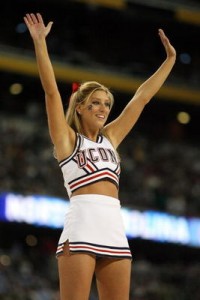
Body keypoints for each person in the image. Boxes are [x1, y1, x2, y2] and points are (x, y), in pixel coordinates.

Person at [23, 12, 176, 300]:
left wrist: (169, 61)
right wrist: (40, 44)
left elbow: (141, 98)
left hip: (114, 229)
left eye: (106, 103)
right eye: (94, 103)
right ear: (79, 107)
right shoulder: (68, 140)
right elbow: (51, 92)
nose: (102, 108)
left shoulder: (112, 139)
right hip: (81, 226)